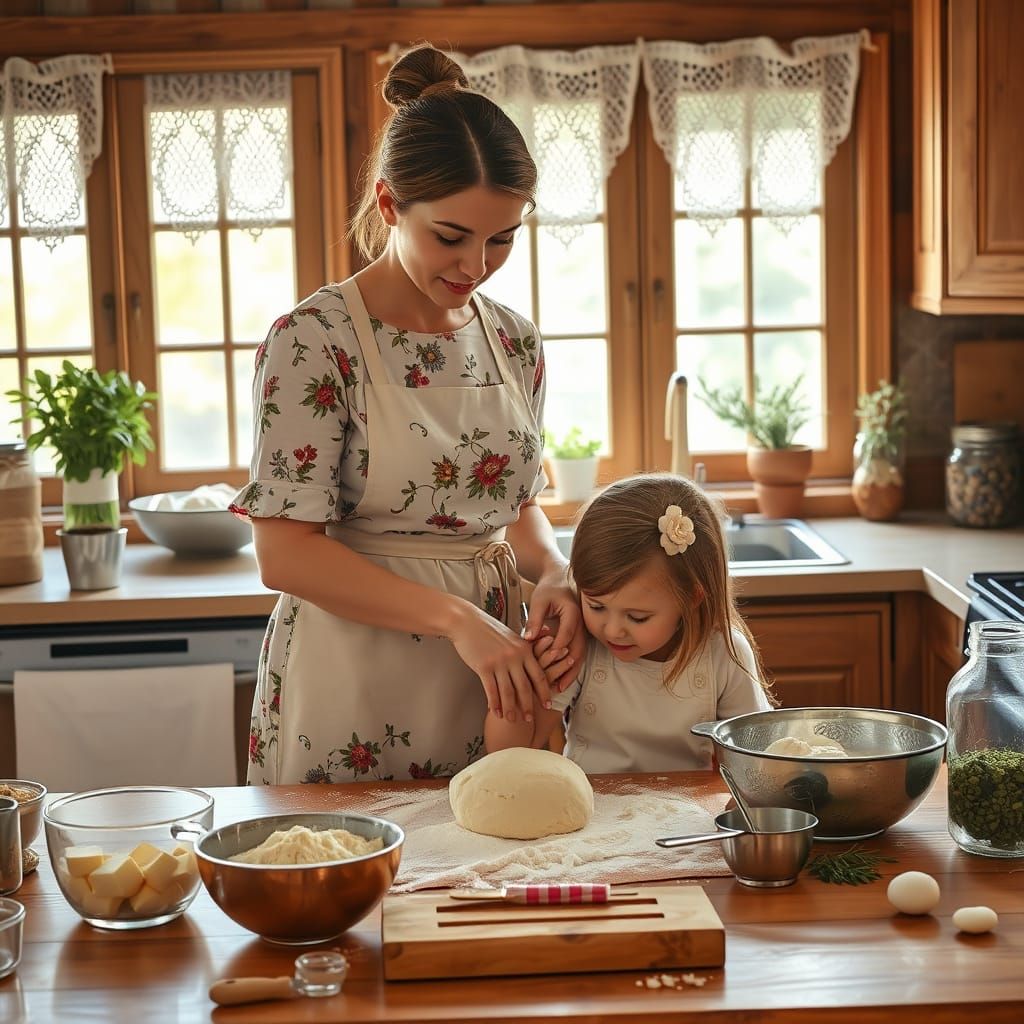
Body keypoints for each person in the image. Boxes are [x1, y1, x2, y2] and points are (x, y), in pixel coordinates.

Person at [232, 44, 584, 785]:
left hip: (492, 680)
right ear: (391, 205)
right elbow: (285, 554)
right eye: (450, 237)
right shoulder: (313, 341)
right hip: (354, 674)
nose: (475, 266)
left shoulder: (514, 340)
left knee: (485, 872)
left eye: (502, 240)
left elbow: (512, 511)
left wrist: (552, 569)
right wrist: (459, 621)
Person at [484, 473, 775, 772]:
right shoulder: (577, 644)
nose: (611, 630)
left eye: (637, 617)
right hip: (593, 810)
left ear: (692, 597)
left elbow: (752, 759)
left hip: (686, 811)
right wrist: (526, 686)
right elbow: (508, 754)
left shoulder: (724, 653)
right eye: (596, 606)